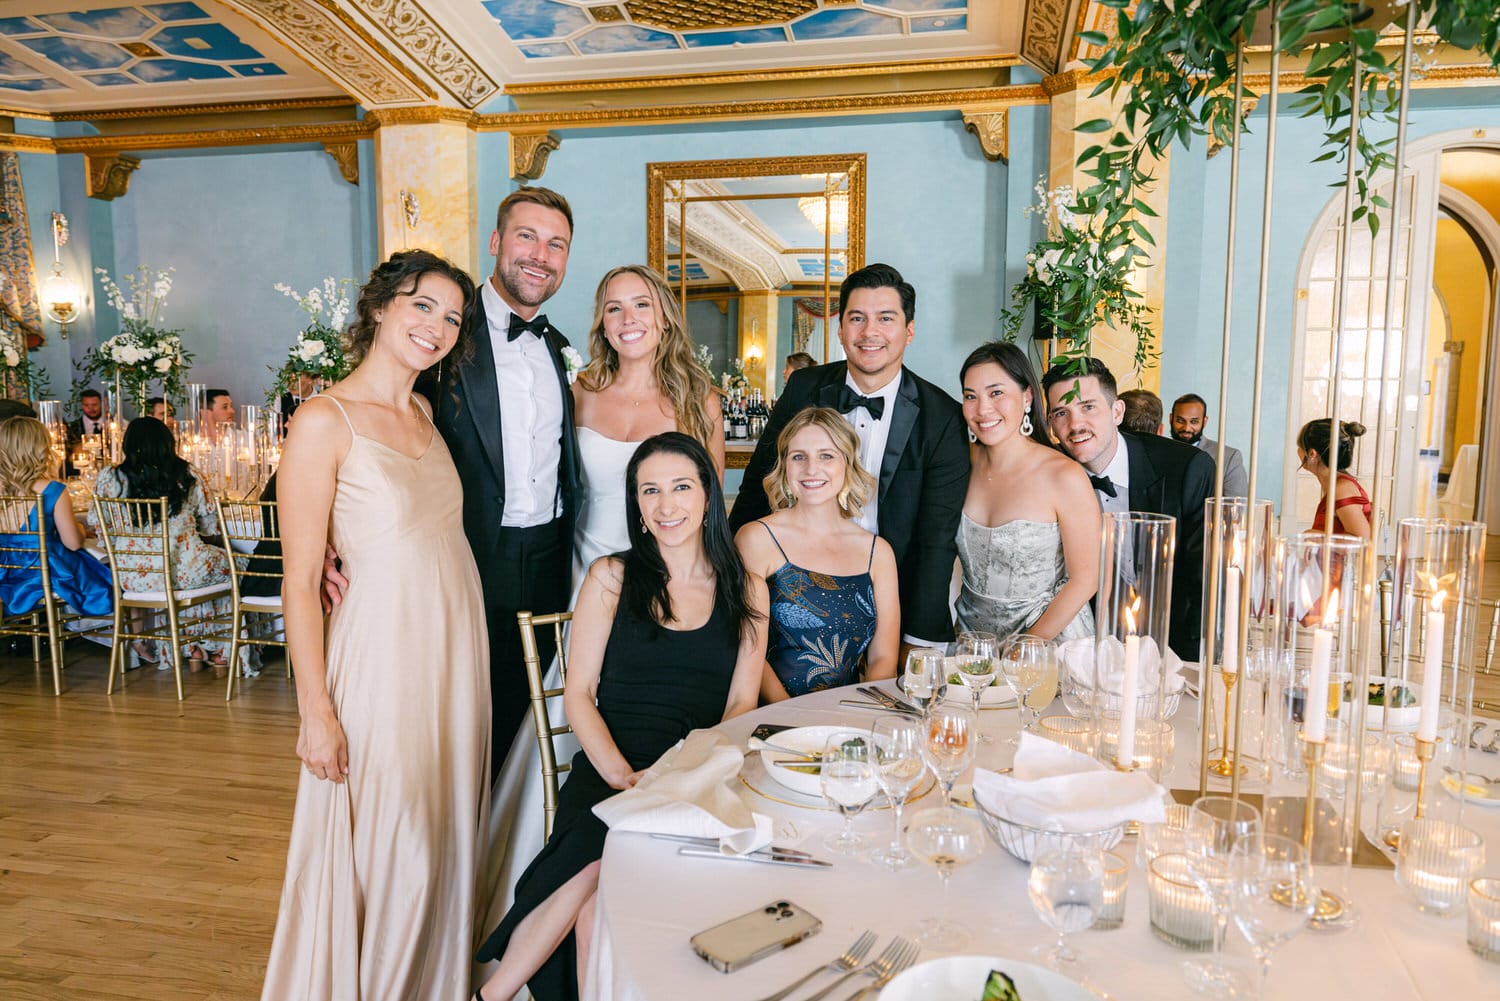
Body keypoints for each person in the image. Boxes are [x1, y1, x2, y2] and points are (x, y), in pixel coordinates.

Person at [260, 250, 487, 1001]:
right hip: (382, 662)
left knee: (446, 837)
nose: (438, 326)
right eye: (424, 306)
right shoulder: (323, 420)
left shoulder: (425, 412)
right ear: (382, 306)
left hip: (455, 658)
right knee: (399, 845)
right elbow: (298, 583)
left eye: (452, 316)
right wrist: (315, 710)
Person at [473, 432, 764, 1001]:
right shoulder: (611, 576)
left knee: (597, 882)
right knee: (599, 872)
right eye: (649, 491)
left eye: (681, 487)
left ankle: (492, 995)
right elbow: (577, 694)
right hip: (611, 765)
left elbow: (740, 707)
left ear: (709, 493)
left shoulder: (745, 586)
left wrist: (683, 775)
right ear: (636, 503)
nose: (666, 505)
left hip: (693, 772)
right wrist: (617, 775)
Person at [413, 186, 581, 781]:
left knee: (530, 709)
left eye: (555, 244)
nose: (540, 254)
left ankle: (517, 841)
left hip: (553, 554)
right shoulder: (443, 336)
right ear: (496, 243)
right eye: (527, 237)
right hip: (470, 551)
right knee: (464, 708)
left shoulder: (559, 348)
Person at [731, 263, 969, 650]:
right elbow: (757, 487)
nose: (869, 332)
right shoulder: (803, 388)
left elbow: (936, 540)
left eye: (885, 319)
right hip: (792, 594)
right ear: (840, 329)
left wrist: (918, 640)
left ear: (909, 331)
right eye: (856, 318)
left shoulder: (942, 416)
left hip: (896, 598)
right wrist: (727, 588)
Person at [1043, 357, 1213, 660]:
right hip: (1084, 647)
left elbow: (1206, 579)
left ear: (1117, 411)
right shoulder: (1048, 474)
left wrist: (1192, 663)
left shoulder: (1186, 469)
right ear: (1051, 425)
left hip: (1172, 645)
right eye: (1061, 413)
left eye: (1088, 407)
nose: (1075, 424)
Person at [571, 263, 724, 582]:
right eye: (614, 308)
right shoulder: (579, 393)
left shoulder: (699, 400)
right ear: (603, 325)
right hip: (584, 566)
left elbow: (712, 502)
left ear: (665, 318)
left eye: (642, 304)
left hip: (670, 572)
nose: (628, 319)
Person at [735, 407, 898, 701]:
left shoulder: (878, 553)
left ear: (847, 464)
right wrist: (788, 713)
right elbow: (746, 650)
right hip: (769, 712)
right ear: (785, 465)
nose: (811, 469)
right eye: (799, 457)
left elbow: (883, 660)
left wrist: (858, 716)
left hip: (850, 716)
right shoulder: (756, 538)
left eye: (826, 455)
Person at [958, 343, 1096, 641]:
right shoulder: (960, 462)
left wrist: (1027, 647)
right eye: (971, 396)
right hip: (971, 641)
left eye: (996, 393)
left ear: (1027, 396)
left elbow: (1085, 579)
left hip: (1048, 642)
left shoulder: (1063, 475)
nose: (982, 409)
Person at [90, 416, 233, 667]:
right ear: (169, 443)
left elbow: (102, 531)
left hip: (131, 576)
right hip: (184, 571)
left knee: (202, 568)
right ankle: (216, 647)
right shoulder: (185, 473)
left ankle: (192, 648)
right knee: (235, 566)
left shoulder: (109, 478)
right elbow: (209, 526)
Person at [0, 416, 112, 619]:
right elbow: (72, 544)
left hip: (6, 574)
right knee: (107, 576)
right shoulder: (52, 490)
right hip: (42, 574)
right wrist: (79, 528)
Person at [1298, 418, 1371, 538]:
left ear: (1312, 454)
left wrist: (1313, 536)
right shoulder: (1336, 485)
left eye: (1300, 447)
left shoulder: (1342, 489)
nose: (1298, 451)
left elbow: (1361, 540)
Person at [1171, 392, 1248, 497]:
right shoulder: (1159, 452)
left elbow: (1236, 509)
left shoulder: (1228, 457)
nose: (1186, 428)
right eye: (1180, 421)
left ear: (1204, 421)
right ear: (1171, 419)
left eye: (1194, 422)